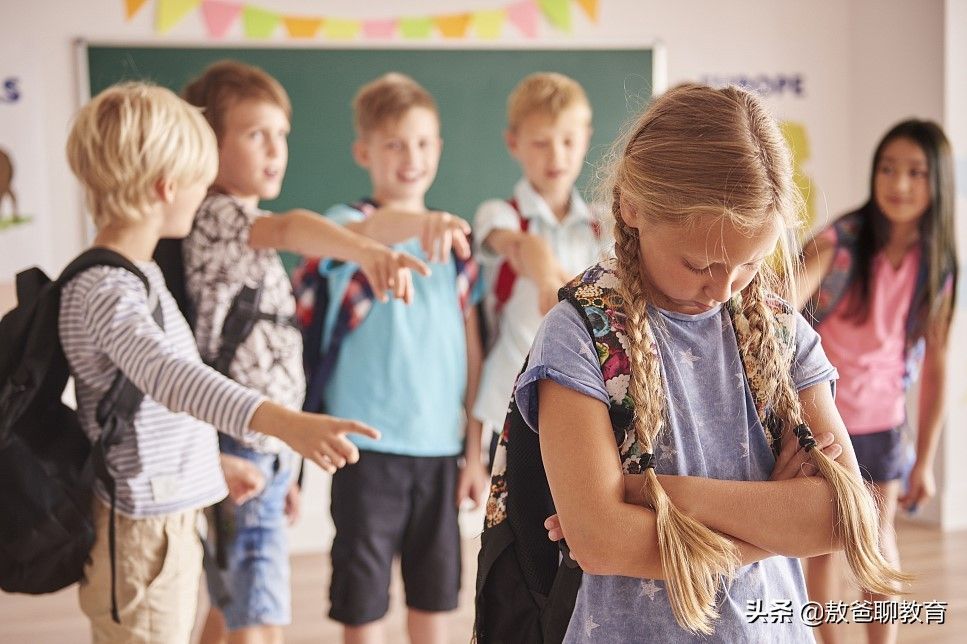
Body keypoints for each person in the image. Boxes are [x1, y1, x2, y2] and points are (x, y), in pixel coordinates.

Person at [488, 83, 906, 641]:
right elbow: (601, 540)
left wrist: (665, 495)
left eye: (747, 265)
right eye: (699, 263)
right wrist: (775, 519)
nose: (722, 288)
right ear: (633, 207)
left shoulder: (782, 332)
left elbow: (839, 521)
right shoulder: (579, 334)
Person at [61, 82, 378, 644]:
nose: (205, 192)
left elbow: (160, 409)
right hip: (142, 528)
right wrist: (287, 423)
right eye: (198, 178)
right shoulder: (107, 288)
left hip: (169, 512)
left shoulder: (141, 277)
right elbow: (175, 380)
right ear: (166, 187)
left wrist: (215, 466)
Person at [176, 60, 428, 644]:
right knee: (259, 612)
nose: (276, 149)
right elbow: (289, 228)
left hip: (263, 440)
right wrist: (366, 250)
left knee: (232, 600)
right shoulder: (219, 216)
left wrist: (285, 462)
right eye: (255, 134)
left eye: (282, 134)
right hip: (241, 436)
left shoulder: (242, 234)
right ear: (209, 145)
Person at [316, 72, 487, 644]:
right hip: (365, 449)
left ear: (438, 148)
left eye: (421, 143)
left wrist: (472, 452)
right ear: (365, 151)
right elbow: (373, 228)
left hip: (439, 452)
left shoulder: (456, 248)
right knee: (362, 603)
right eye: (393, 144)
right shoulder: (345, 228)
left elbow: (471, 351)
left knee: (435, 598)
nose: (409, 157)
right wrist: (420, 224)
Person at [798, 120, 957, 644]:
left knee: (877, 537)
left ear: (939, 182)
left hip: (884, 423)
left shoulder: (938, 267)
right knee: (820, 544)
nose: (900, 184)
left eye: (915, 172)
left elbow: (935, 367)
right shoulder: (840, 242)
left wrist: (926, 460)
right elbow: (783, 305)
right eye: (888, 168)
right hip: (822, 419)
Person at [471, 72, 610, 463]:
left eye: (568, 141)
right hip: (508, 405)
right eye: (541, 143)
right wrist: (551, 282)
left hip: (584, 403)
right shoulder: (500, 214)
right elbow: (520, 247)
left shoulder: (604, 225)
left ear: (585, 137)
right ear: (513, 143)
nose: (557, 156)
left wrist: (559, 288)